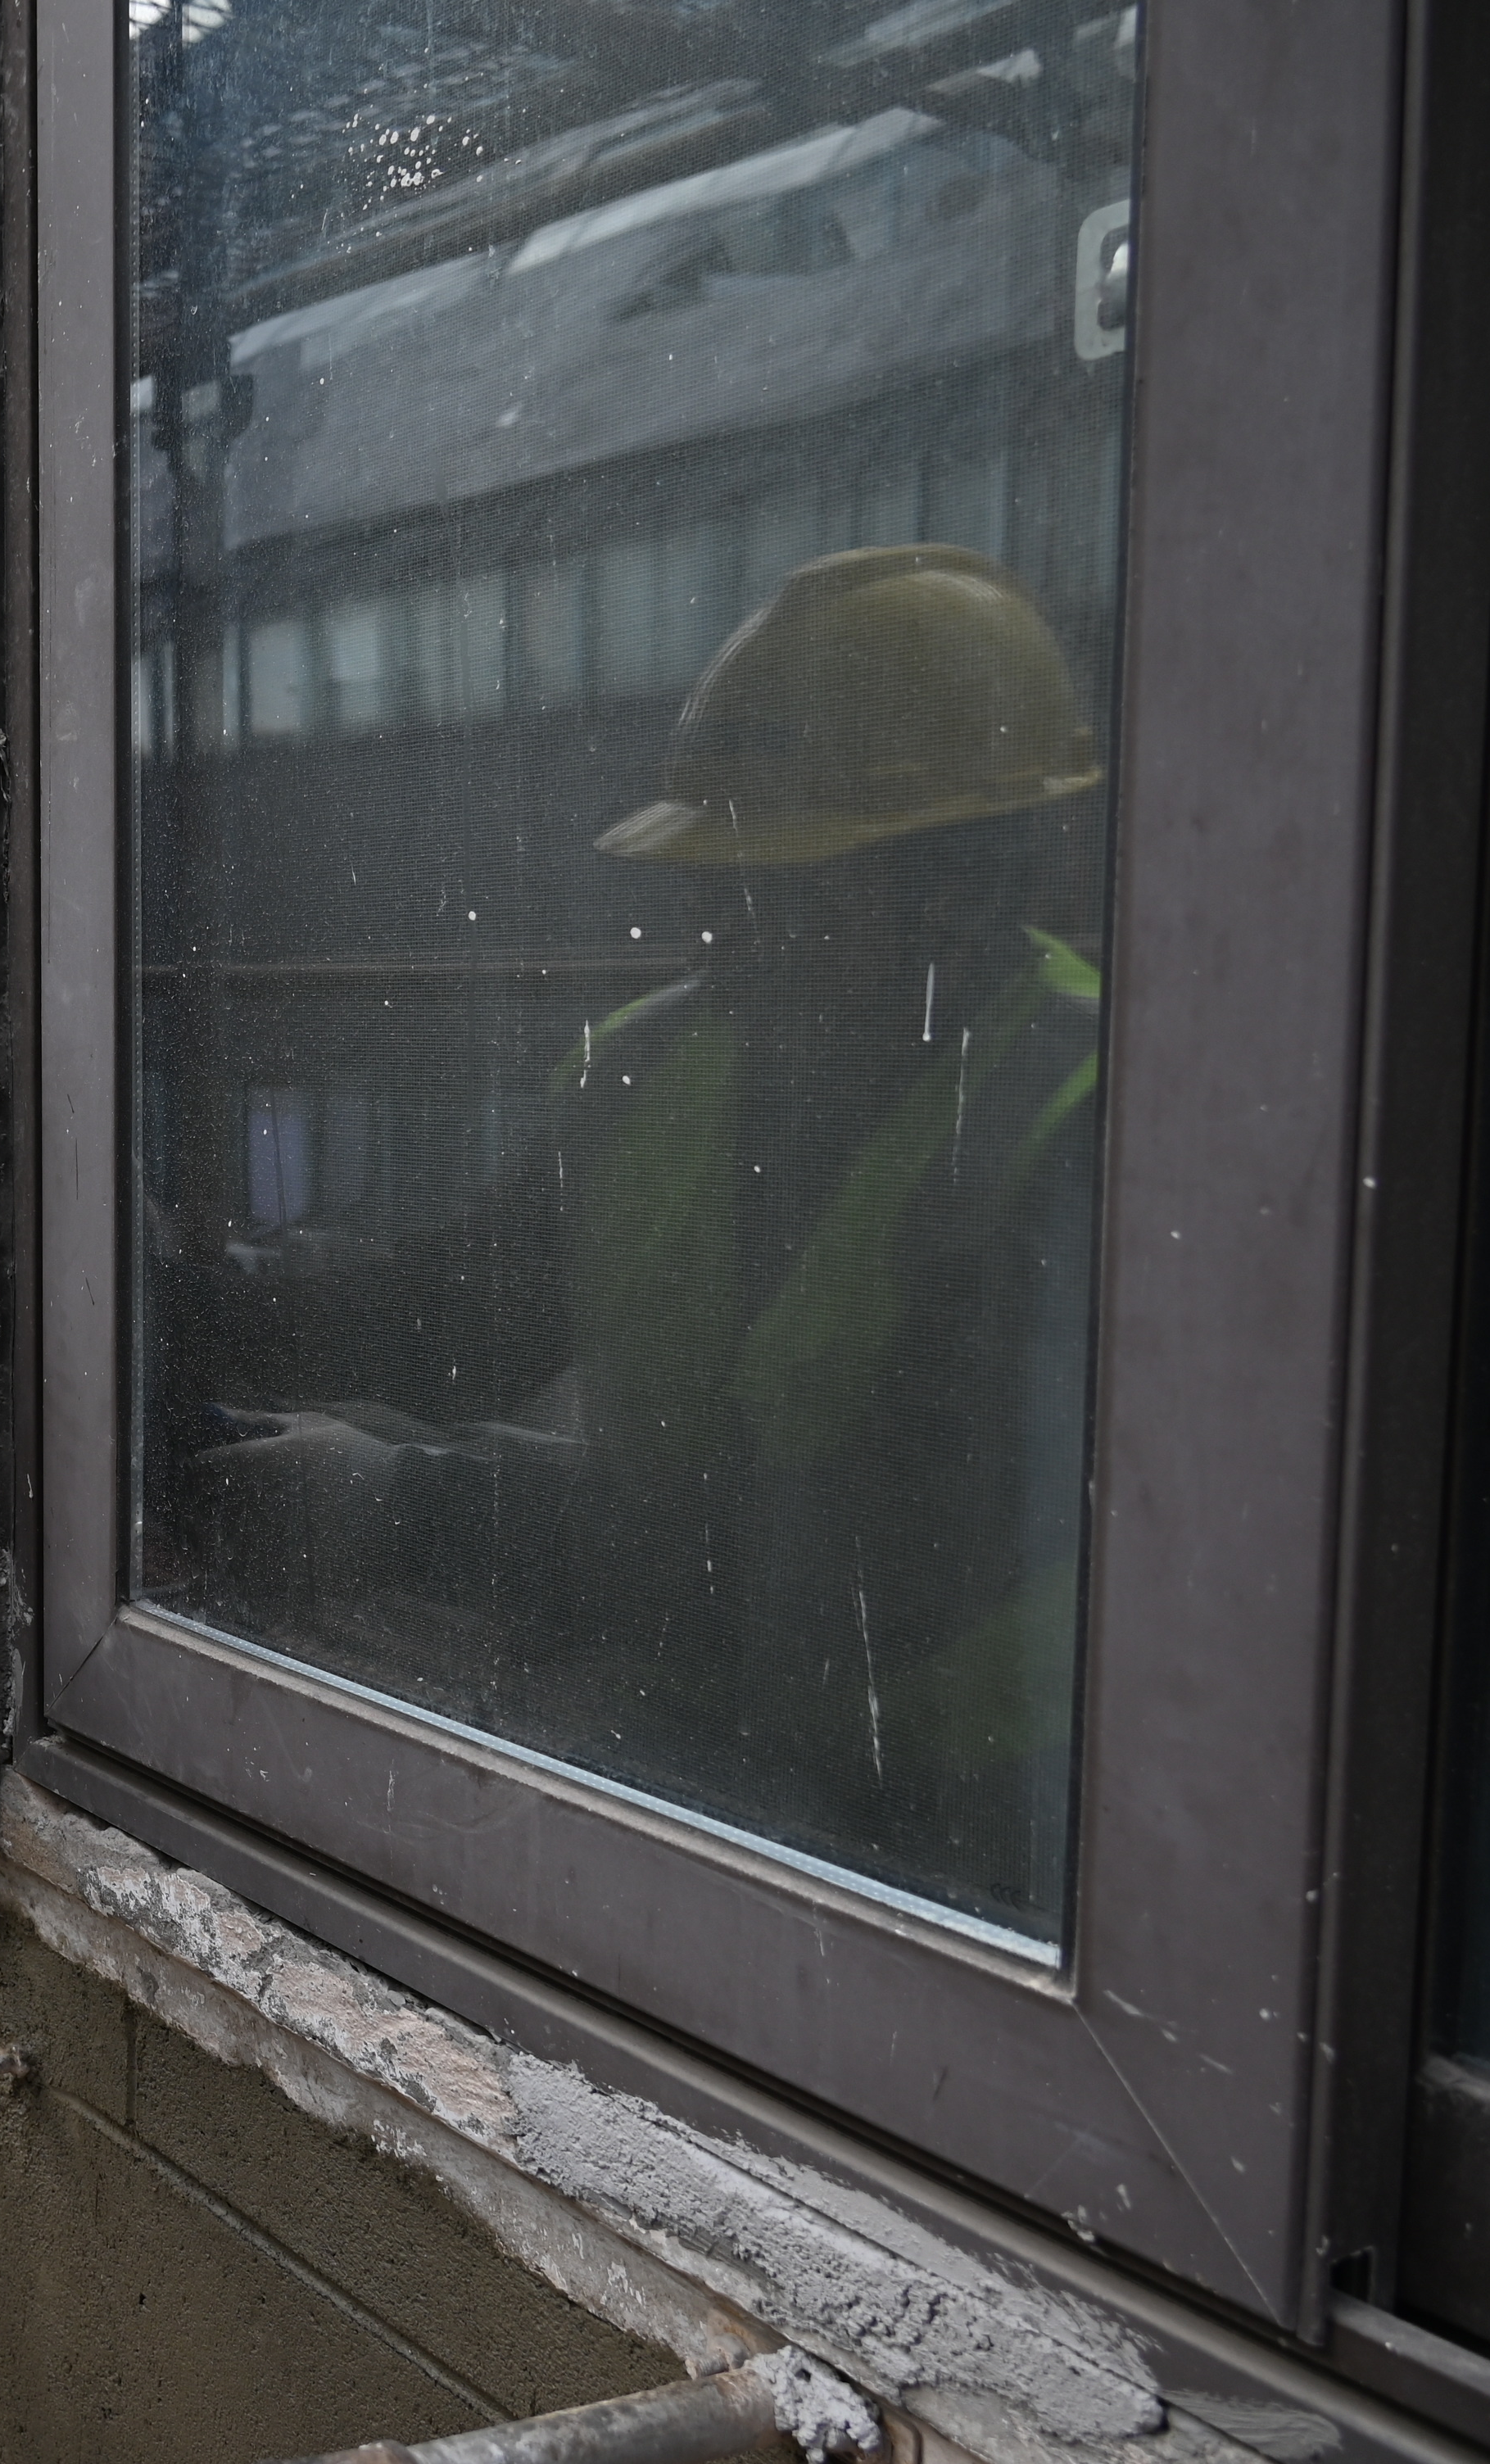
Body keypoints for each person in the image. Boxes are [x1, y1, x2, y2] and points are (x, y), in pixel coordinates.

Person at [197, 544, 1107, 1927]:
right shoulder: (660, 1064)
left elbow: (860, 1570)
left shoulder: (1090, 1121)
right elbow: (463, 1315)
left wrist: (403, 1508)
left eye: (788, 888)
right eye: (724, 878)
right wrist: (152, 1320)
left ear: (968, 885)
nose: (724, 930)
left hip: (978, 1851)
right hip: (686, 1754)